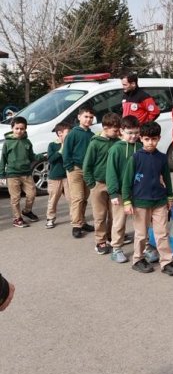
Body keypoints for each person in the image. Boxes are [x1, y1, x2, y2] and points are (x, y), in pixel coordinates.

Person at [123, 121, 173, 276]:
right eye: (147, 139)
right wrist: (127, 201)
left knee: (162, 233)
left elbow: (166, 178)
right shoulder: (135, 158)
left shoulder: (161, 158)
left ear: (159, 138)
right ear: (141, 138)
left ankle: (166, 262)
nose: (150, 143)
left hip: (160, 201)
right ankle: (138, 259)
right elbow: (127, 182)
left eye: (154, 139)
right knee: (141, 234)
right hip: (140, 202)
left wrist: (169, 197)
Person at [106, 115, 145, 264]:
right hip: (121, 193)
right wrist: (113, 193)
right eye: (130, 133)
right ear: (121, 131)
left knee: (141, 221)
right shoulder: (116, 149)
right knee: (119, 221)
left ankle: (144, 247)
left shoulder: (141, 147)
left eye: (136, 132)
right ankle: (116, 248)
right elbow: (111, 172)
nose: (133, 136)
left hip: (138, 191)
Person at [83, 113, 121, 255]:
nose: (118, 133)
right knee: (100, 214)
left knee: (114, 214)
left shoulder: (118, 142)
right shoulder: (95, 143)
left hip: (114, 185)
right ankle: (100, 240)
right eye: (115, 130)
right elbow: (87, 165)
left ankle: (112, 236)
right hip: (98, 183)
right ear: (105, 128)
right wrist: (92, 184)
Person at [0, 116, 39, 228]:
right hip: (12, 175)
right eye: (17, 128)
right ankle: (17, 218)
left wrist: (39, 156)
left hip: (26, 173)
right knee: (15, 198)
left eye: (22, 129)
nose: (19, 131)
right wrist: (1, 172)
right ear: (12, 128)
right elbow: (3, 159)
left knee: (32, 194)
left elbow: (32, 156)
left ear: (25, 129)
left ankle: (27, 211)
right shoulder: (8, 143)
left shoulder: (27, 142)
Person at [64, 106, 96, 239]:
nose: (88, 119)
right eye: (86, 117)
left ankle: (82, 222)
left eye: (91, 117)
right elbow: (66, 151)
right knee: (77, 197)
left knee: (84, 198)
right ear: (79, 117)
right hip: (75, 169)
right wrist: (70, 167)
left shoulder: (92, 135)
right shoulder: (73, 133)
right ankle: (76, 225)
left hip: (88, 170)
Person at [45, 122, 72, 229]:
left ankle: (75, 218)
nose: (70, 134)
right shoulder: (52, 145)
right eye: (68, 132)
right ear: (60, 133)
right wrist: (61, 150)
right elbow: (51, 159)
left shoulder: (70, 144)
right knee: (53, 199)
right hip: (55, 177)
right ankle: (50, 218)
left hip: (68, 176)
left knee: (72, 198)